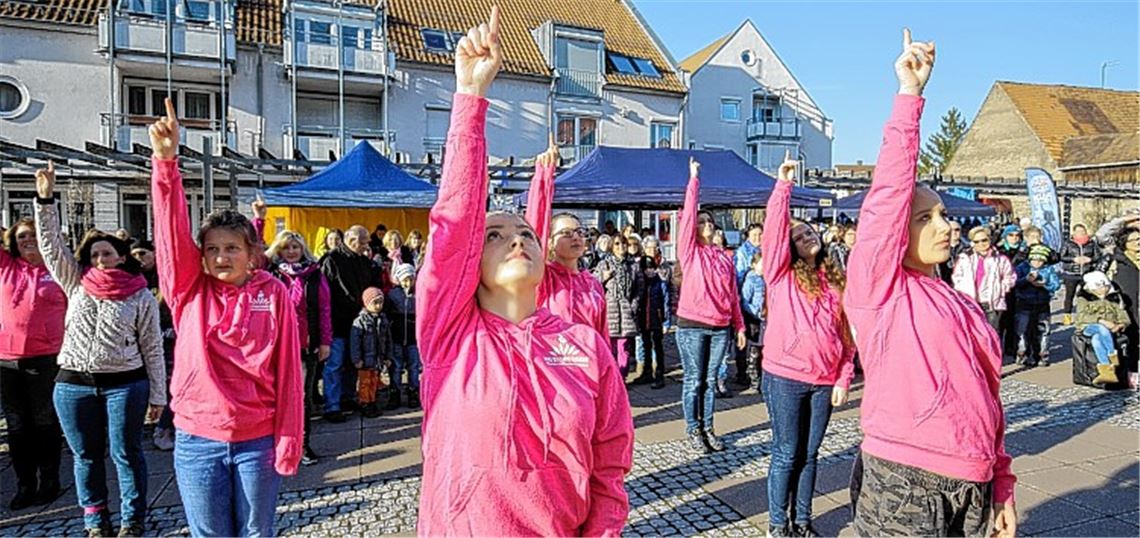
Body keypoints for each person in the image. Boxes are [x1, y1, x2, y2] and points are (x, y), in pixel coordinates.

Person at [414, 8, 632, 534]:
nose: (515, 238)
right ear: (472, 260)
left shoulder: (584, 345)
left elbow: (609, 465)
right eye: (493, 234)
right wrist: (470, 102)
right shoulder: (451, 335)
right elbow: (450, 229)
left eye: (525, 234)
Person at [845, 30, 1016, 538]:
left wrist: (1001, 481)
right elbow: (888, 195)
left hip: (972, 480)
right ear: (899, 229)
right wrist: (910, 98)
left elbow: (987, 399)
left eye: (944, 214)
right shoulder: (879, 290)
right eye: (925, 218)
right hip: (905, 479)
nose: (944, 225)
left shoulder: (959, 304)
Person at [149, 97, 303, 537]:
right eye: (212, 248)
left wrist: (289, 437)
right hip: (198, 440)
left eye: (231, 248)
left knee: (257, 534)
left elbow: (290, 369)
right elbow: (170, 235)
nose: (220, 256)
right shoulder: (188, 291)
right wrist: (166, 164)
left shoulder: (273, 292)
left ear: (252, 253)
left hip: (257, 439)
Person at [33, 163, 165, 538]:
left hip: (125, 384)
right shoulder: (77, 284)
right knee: (85, 456)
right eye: (94, 255)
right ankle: (95, 520)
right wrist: (45, 198)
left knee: (126, 454)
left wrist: (158, 394)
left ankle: (132, 518)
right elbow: (50, 247)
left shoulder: (139, 295)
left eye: (107, 254)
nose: (100, 260)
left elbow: (152, 347)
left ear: (121, 256)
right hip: (73, 384)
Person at [761, 151, 855, 537]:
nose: (807, 236)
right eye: (798, 236)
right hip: (785, 377)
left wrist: (844, 378)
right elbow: (772, 233)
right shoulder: (781, 276)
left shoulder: (837, 281)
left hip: (824, 380)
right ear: (790, 246)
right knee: (786, 453)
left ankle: (802, 519)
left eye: (810, 232)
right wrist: (784, 185)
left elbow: (849, 337)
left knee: (810, 454)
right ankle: (777, 524)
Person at [675, 156, 746, 455]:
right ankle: (693, 428)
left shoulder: (723, 257)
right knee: (693, 380)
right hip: (692, 326)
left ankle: (708, 427)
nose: (704, 225)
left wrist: (739, 325)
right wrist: (694, 181)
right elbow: (689, 216)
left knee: (710, 380)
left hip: (719, 327)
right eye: (701, 222)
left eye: (709, 222)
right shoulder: (690, 252)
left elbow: (733, 295)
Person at [0, 216, 67, 512]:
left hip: (47, 357)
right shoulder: (6, 267)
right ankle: (24, 484)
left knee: (45, 423)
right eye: (21, 236)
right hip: (7, 359)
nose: (28, 240)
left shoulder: (57, 269)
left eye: (33, 234)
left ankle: (49, 481)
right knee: (17, 427)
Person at [524, 138, 608, 338]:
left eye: (579, 232)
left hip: (588, 364)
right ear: (550, 242)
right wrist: (544, 176)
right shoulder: (543, 278)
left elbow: (601, 334)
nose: (576, 237)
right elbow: (535, 229)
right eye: (566, 233)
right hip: (552, 364)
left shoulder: (592, 283)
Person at [264, 226, 332, 466]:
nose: (291, 251)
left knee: (301, 396)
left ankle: (301, 445)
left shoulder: (314, 274)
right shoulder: (270, 272)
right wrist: (259, 221)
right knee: (272, 395)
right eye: (286, 247)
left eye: (295, 246)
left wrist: (325, 341)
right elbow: (252, 256)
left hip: (304, 343)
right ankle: (273, 443)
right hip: (272, 343)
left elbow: (324, 309)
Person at [320, 224, 383, 422]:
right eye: (363, 242)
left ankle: (347, 397)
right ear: (352, 239)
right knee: (335, 364)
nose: (366, 246)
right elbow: (325, 293)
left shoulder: (365, 262)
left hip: (359, 322)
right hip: (337, 321)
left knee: (353, 362)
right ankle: (332, 405)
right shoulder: (331, 260)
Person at [132, 239, 178, 452]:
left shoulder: (164, 278)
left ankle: (164, 427)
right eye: (135, 254)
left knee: (168, 385)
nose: (139, 259)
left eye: (143, 253)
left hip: (166, 340)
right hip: (136, 342)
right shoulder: (130, 278)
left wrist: (169, 329)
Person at [594, 235, 642, 376]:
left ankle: (622, 377)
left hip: (626, 311)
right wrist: (603, 277)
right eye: (617, 244)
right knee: (610, 348)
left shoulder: (632, 265)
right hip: (610, 311)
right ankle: (612, 378)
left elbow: (640, 287)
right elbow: (593, 285)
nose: (621, 247)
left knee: (624, 347)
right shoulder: (604, 264)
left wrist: (634, 304)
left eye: (623, 244)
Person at [952, 226, 1016, 332]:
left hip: (992, 303)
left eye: (984, 240)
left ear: (990, 239)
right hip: (970, 303)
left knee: (992, 335)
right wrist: (961, 290)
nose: (981, 244)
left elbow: (1010, 277)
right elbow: (956, 276)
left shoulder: (1000, 259)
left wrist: (1001, 289)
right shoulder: (965, 258)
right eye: (976, 241)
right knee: (973, 335)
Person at [1074, 271, 1128, 385]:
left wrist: (1120, 325)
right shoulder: (1084, 299)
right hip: (1087, 326)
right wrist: (1102, 321)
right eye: (1101, 287)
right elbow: (1082, 316)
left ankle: (1106, 371)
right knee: (1101, 328)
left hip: (1108, 330)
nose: (1104, 289)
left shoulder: (1114, 298)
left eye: (1106, 286)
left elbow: (1123, 317)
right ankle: (1112, 355)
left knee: (1097, 339)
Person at [1013, 245, 1062, 366]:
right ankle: (1022, 353)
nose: (1037, 263)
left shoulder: (1048, 270)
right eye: (1034, 260)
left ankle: (1042, 355)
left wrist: (1045, 285)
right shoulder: (1022, 268)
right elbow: (1013, 282)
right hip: (1024, 303)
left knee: (1043, 330)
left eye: (1040, 260)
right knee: (1022, 329)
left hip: (1042, 304)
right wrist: (1026, 280)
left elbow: (1056, 284)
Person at [350, 287, 391, 418]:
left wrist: (387, 357)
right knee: (365, 383)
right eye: (375, 302)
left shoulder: (383, 320)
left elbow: (388, 340)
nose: (378, 306)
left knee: (374, 381)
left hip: (377, 359)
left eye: (380, 302)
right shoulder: (360, 322)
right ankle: (365, 403)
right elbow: (355, 343)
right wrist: (356, 359)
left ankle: (372, 401)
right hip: (365, 360)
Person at [386, 263, 421, 409]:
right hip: (397, 336)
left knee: (413, 366)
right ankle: (395, 392)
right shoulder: (393, 294)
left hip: (413, 338)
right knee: (396, 366)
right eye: (405, 280)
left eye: (411, 279)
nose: (408, 283)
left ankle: (413, 391)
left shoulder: (418, 294)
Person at [633, 256, 668, 388]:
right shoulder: (641, 284)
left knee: (657, 347)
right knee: (645, 345)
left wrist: (666, 321)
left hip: (657, 319)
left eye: (652, 268)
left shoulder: (660, 282)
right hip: (643, 319)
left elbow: (666, 302)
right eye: (646, 268)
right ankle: (647, 372)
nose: (649, 271)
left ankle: (659, 375)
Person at [1059, 224, 1101, 324]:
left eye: (1083, 231)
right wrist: (1074, 259)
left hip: (1087, 273)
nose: (1081, 233)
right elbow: (1061, 256)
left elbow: (1098, 256)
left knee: (1086, 295)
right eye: (1079, 232)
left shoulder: (1091, 243)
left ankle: (1087, 315)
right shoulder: (1068, 243)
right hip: (1071, 273)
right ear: (1074, 233)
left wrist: (1090, 259)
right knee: (1069, 296)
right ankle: (1067, 316)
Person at [740, 252, 766, 393]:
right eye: (762, 264)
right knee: (754, 353)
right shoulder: (751, 280)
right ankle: (754, 381)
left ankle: (763, 381)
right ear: (754, 265)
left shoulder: (768, 279)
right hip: (755, 321)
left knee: (765, 352)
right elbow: (745, 301)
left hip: (768, 321)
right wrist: (756, 311)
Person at [937, 220, 969, 285]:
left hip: (963, 285)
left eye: (957, 230)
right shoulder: (938, 248)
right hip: (944, 283)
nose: (954, 232)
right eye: (951, 230)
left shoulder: (969, 249)